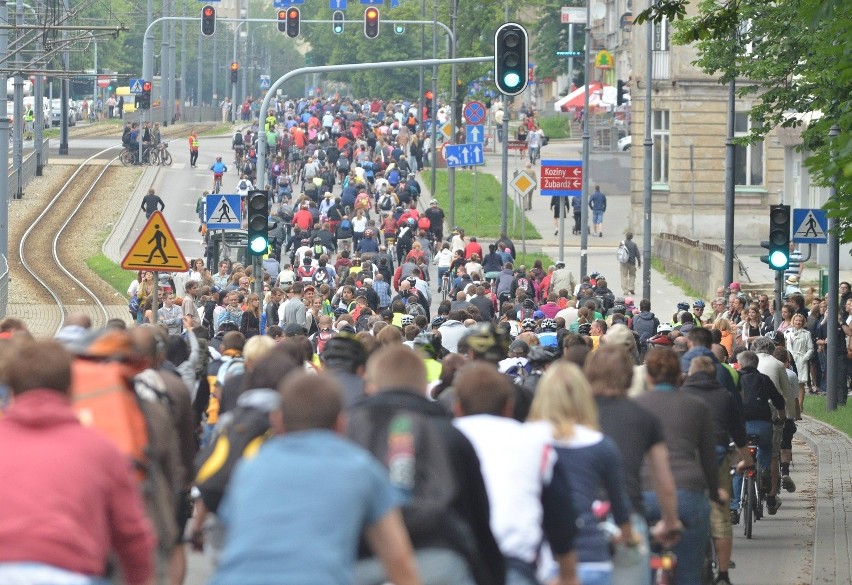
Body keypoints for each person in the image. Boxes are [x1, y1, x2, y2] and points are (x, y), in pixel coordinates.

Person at [209, 371, 419, 585]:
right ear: (340, 424)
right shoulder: (359, 467)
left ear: (277, 421)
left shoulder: (249, 467)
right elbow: (399, 561)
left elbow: (226, 543)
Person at [0, 340, 156, 585]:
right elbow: (131, 534)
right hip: (72, 571)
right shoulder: (101, 449)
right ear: (72, 388)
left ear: (10, 388)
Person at [346, 345, 504, 585]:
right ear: (423, 387)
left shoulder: (347, 429)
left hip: (359, 560)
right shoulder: (449, 435)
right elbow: (476, 515)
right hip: (435, 557)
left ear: (369, 385)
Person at [452, 363, 580, 585]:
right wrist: (568, 574)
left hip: (453, 562)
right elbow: (559, 515)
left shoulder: (441, 439)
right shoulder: (534, 443)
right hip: (513, 564)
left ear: (457, 408)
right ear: (508, 408)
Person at [528, 361, 635, 585]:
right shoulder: (601, 444)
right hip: (591, 557)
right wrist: (628, 535)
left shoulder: (525, 440)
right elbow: (620, 505)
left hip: (540, 558)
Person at [584, 345, 683, 585]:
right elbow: (664, 481)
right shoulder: (643, 417)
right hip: (627, 518)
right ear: (629, 376)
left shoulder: (575, 414)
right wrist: (669, 521)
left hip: (581, 521)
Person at [636, 348, 718, 585]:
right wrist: (714, 492)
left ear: (648, 377)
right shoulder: (697, 406)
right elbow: (708, 457)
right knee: (689, 570)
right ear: (680, 376)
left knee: (643, 567)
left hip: (645, 493)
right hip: (688, 492)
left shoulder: (636, 405)